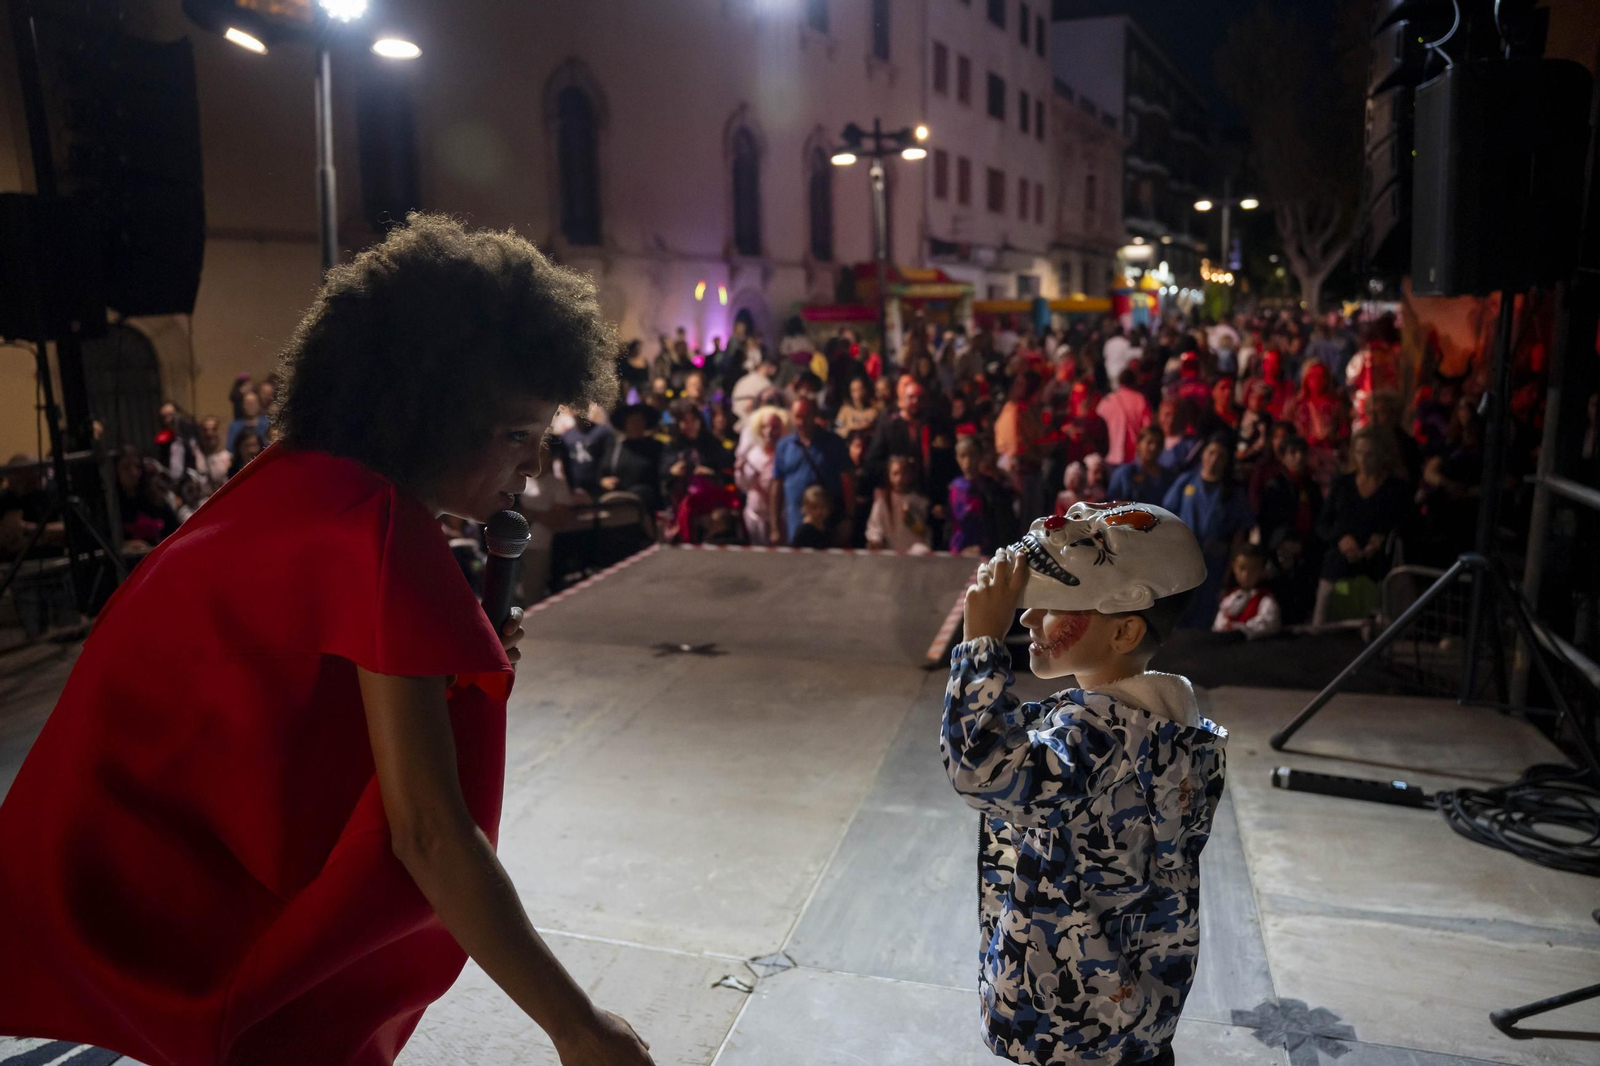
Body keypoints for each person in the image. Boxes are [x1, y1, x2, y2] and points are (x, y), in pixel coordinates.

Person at [0, 215, 654, 1066]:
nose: (531, 468)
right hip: (175, 897)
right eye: (518, 436)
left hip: (93, 866)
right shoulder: (383, 534)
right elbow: (428, 831)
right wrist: (577, 1025)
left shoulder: (290, 483)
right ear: (433, 414)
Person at [944, 507, 1225, 1066]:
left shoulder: (1097, 740)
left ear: (1124, 629)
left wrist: (980, 644)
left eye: (1053, 608)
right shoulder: (1163, 725)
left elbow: (982, 770)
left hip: (1071, 1029)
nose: (1027, 620)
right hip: (1128, 1018)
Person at [1313, 426, 1412, 625]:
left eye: (1370, 455)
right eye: (1358, 453)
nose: (1364, 460)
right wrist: (1340, 539)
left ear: (1382, 455)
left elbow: (1409, 524)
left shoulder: (1395, 488)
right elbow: (1323, 523)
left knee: (1376, 628)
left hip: (1377, 569)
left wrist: (1382, 538)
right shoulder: (1343, 484)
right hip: (1338, 566)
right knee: (1322, 624)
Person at [1163, 433, 1256, 627]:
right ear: (1203, 454)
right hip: (1184, 560)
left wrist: (1230, 571)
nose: (1214, 459)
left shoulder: (1233, 492)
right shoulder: (1186, 482)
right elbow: (1166, 519)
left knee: (1206, 617)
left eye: (1220, 455)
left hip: (1214, 564)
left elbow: (1239, 535)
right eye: (1211, 453)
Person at [770, 397, 852, 546]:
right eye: (797, 417)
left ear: (814, 415)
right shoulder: (784, 446)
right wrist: (774, 526)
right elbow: (777, 485)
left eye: (805, 416)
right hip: (795, 524)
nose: (801, 422)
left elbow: (847, 481)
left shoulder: (834, 443)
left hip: (827, 525)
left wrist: (848, 519)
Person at [947, 435, 1015, 556]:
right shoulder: (954, 487)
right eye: (962, 456)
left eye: (972, 455)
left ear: (980, 457)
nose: (967, 461)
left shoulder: (992, 489)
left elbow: (1002, 525)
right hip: (958, 551)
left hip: (985, 551)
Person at [733, 405, 788, 547]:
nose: (769, 432)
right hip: (756, 517)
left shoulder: (788, 453)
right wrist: (741, 472)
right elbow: (743, 486)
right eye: (765, 427)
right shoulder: (753, 455)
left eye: (774, 427)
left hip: (782, 516)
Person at [602, 403, 667, 512]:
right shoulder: (615, 448)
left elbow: (664, 471)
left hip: (649, 506)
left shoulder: (656, 446)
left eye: (639, 420)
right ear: (625, 424)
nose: (636, 424)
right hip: (621, 507)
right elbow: (602, 472)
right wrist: (604, 481)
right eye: (632, 421)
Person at [865, 454, 932, 553]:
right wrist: (875, 540)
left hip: (915, 555)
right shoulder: (882, 501)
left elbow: (925, 533)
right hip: (890, 554)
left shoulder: (920, 502)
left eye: (904, 474)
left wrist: (912, 521)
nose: (899, 479)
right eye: (895, 474)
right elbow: (875, 526)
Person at [1213, 546, 1282, 640]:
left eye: (1252, 569)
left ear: (1262, 571)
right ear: (1234, 568)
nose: (1246, 574)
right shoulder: (1230, 598)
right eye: (1242, 568)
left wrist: (1237, 629)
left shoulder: (1265, 599)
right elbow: (1219, 624)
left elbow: (1269, 624)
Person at [1095, 365, 1152, 467]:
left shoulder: (1107, 401)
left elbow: (1097, 425)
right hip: (1135, 455)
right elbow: (1147, 428)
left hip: (1112, 454)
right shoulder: (1140, 399)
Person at [1107, 425, 1174, 507]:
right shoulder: (1124, 474)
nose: (1154, 447)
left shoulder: (1168, 477)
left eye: (1158, 444)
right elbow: (1113, 505)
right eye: (1149, 442)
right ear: (1139, 444)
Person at [227, 389, 271, 453]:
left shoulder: (267, 424)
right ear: (243, 405)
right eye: (248, 403)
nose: (251, 406)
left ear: (259, 405)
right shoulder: (234, 426)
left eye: (253, 403)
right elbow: (230, 448)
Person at [791, 484, 834, 549]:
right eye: (814, 507)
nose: (819, 511)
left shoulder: (828, 530)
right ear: (806, 508)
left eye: (823, 507)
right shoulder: (803, 532)